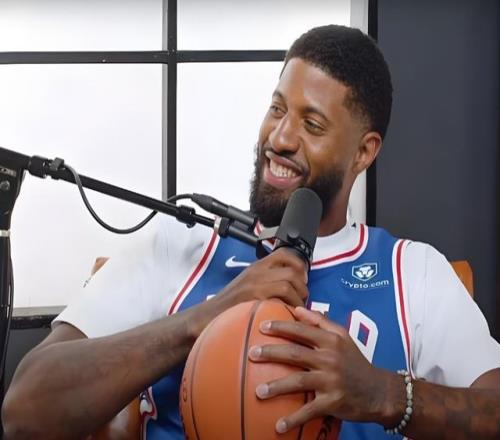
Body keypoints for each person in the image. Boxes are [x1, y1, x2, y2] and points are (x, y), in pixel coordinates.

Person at [3, 25, 500, 439]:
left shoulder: (413, 273)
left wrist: (383, 393)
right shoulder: (180, 246)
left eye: (312, 124)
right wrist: (205, 317)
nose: (279, 138)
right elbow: (25, 410)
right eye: (278, 109)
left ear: (364, 152)